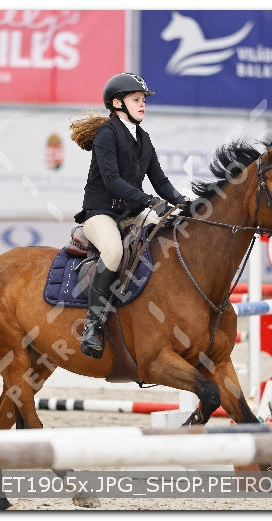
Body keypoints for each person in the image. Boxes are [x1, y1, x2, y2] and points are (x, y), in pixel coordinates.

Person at [70, 72, 188, 359]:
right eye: (137, 99)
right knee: (112, 251)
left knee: (174, 233)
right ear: (117, 103)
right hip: (101, 213)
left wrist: (183, 202)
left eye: (143, 100)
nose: (143, 104)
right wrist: (149, 201)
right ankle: (93, 325)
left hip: (132, 213)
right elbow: (111, 180)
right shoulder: (106, 134)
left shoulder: (143, 138)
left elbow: (159, 180)